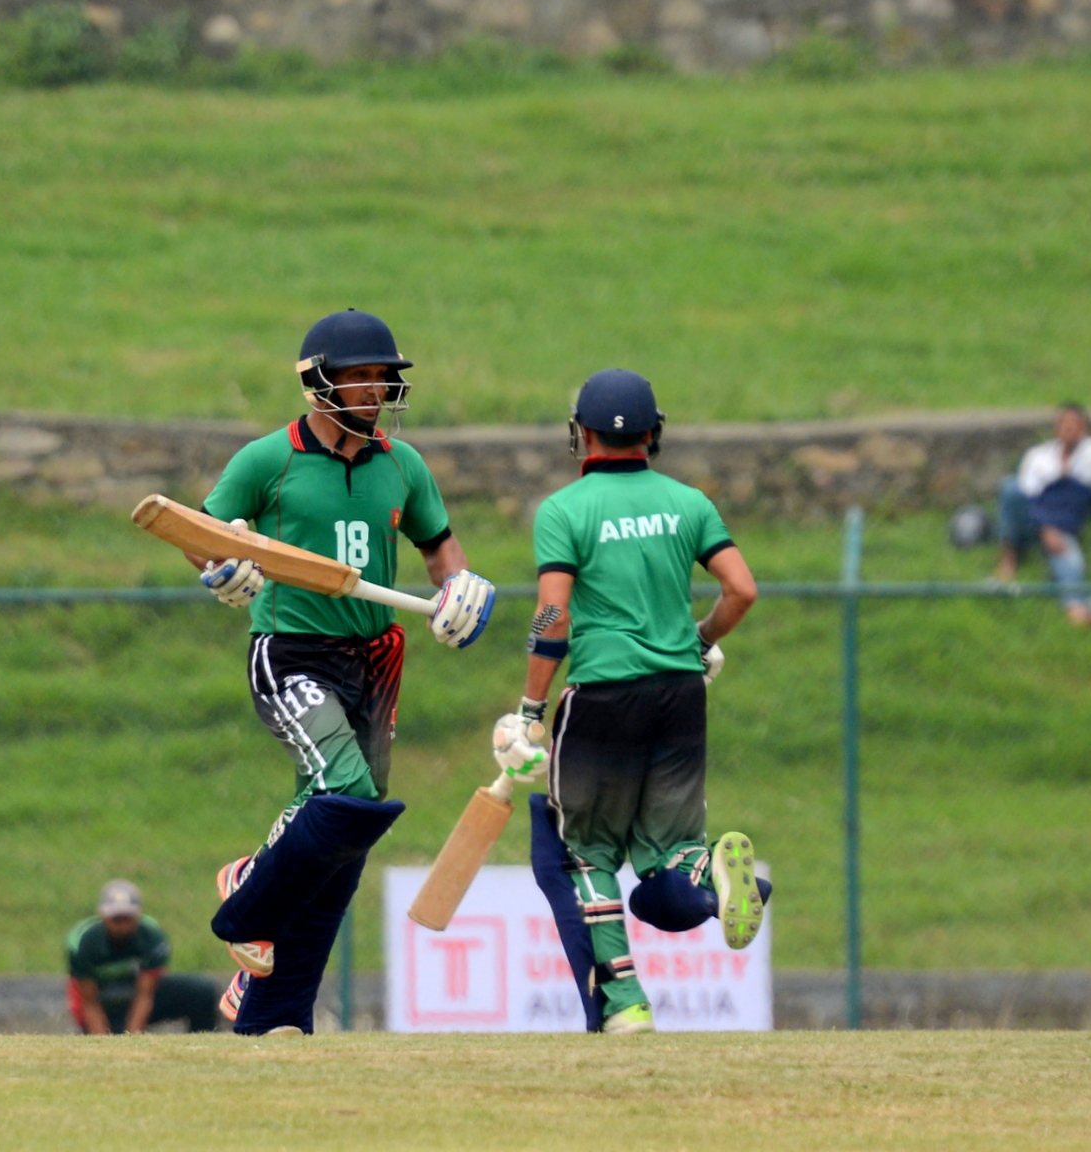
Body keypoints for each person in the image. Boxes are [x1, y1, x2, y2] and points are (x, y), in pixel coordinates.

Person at [188, 308, 497, 1035]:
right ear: (319, 382)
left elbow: (440, 547)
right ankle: (250, 886)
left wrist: (458, 586)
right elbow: (198, 532)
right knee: (346, 791)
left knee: (342, 832)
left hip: (376, 658)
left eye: (382, 377)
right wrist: (221, 564)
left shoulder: (403, 464)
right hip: (291, 648)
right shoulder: (268, 460)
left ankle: (269, 1000)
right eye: (359, 376)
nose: (374, 389)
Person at [490, 369, 768, 1035]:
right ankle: (709, 870)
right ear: (652, 432)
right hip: (679, 694)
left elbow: (552, 615)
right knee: (670, 849)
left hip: (602, 696)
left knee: (582, 853)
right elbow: (742, 590)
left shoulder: (564, 510)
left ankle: (624, 1003)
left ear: (582, 434)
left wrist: (530, 709)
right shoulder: (688, 503)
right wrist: (699, 640)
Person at [994, 402, 1091, 626]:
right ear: (1055, 428)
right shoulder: (1037, 456)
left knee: (1069, 558)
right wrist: (1045, 527)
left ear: (1086, 429)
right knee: (1011, 488)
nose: (1068, 428)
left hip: (1064, 523)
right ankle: (1009, 557)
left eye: (1074, 424)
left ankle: (1075, 608)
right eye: (1062, 424)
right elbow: (1028, 497)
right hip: (1034, 520)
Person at [65, 880, 221, 1034]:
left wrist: (133, 1038)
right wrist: (103, 1041)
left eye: (127, 919)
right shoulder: (83, 942)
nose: (122, 927)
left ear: (138, 914)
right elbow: (89, 1002)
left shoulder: (151, 936)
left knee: (202, 990)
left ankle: (202, 1040)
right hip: (106, 1005)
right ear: (103, 915)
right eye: (116, 920)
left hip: (138, 997)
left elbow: (145, 994)